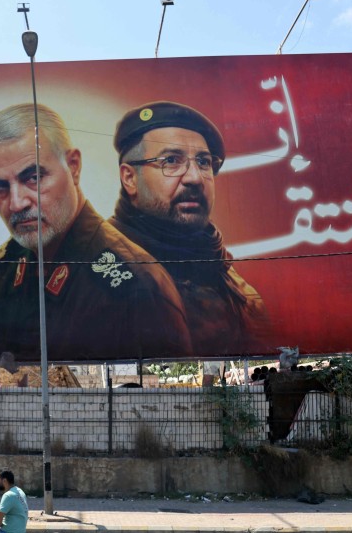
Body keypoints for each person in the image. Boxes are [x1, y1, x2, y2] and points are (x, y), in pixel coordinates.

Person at [0, 103, 192, 362]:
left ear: (73, 167)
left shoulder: (137, 286)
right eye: (0, 187)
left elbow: (163, 394)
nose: (17, 203)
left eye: (34, 178)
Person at [108, 101, 268, 355]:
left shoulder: (234, 285)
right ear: (130, 178)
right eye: (171, 160)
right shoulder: (100, 268)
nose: (194, 177)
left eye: (204, 162)